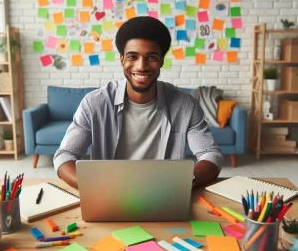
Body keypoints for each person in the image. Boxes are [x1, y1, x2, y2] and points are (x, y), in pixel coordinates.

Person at [53, 16, 223, 189]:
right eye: (132, 56)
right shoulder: (94, 104)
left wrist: (183, 183)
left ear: (161, 61)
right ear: (122, 59)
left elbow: (211, 154)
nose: (141, 66)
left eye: (151, 57)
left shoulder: (186, 105)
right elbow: (65, 156)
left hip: (165, 193)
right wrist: (94, 189)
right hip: (108, 194)